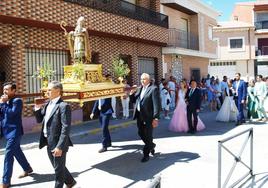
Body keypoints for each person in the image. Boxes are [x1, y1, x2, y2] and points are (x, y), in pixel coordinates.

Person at [33, 81, 76, 188]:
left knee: (58, 171)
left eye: (49, 90)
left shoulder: (63, 106)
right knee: (58, 166)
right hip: (48, 141)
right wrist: (37, 108)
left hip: (58, 143)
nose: (47, 92)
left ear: (57, 91)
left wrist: (60, 146)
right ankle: (70, 182)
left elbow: (66, 128)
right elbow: (39, 119)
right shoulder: (48, 104)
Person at [0, 82, 33, 188]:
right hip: (6, 131)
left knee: (8, 155)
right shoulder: (4, 101)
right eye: (4, 89)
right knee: (17, 151)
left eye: (7, 89)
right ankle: (27, 168)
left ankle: (5, 181)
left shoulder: (17, 101)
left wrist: (4, 104)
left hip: (15, 132)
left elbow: (12, 113)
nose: (5, 91)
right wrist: (1, 104)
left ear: (14, 91)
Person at [130, 73, 160, 162]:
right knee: (140, 133)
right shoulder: (140, 89)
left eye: (144, 79)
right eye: (141, 79)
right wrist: (131, 93)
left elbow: (156, 104)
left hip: (149, 116)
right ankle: (151, 145)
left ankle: (146, 154)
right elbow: (133, 100)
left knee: (148, 134)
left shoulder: (153, 89)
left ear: (149, 80)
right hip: (140, 115)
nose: (142, 81)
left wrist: (156, 118)